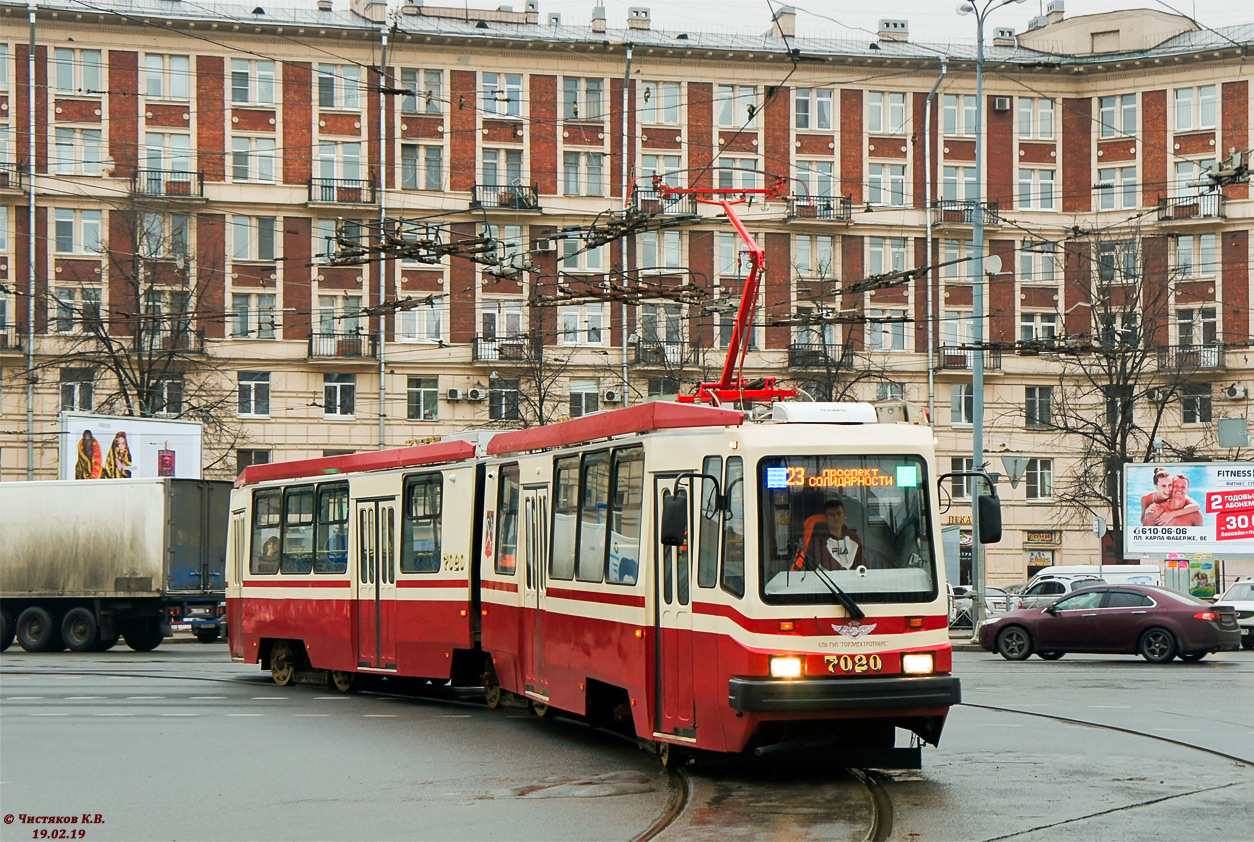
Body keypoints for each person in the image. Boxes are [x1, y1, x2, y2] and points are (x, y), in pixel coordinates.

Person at [799, 499, 865, 571]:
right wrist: (845, 573)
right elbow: (826, 561)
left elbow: (862, 563)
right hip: (826, 577)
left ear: (844, 516)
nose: (836, 518)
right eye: (832, 515)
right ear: (826, 518)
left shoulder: (854, 537)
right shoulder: (818, 539)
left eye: (839, 513)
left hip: (852, 577)